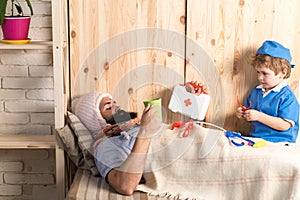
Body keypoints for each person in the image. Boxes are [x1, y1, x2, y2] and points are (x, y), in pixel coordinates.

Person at [73, 82, 206, 195]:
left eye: (114, 102)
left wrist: (195, 104)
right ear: (97, 120)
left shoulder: (135, 126)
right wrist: (145, 131)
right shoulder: (105, 145)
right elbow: (125, 185)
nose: (117, 106)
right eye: (108, 107)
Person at [236, 40, 299, 143]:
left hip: (280, 142)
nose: (260, 77)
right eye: (258, 72)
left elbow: (284, 125)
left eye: (265, 73)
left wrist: (259, 116)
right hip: (257, 139)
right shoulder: (256, 91)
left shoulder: (287, 97)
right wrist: (242, 113)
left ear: (282, 73)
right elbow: (249, 110)